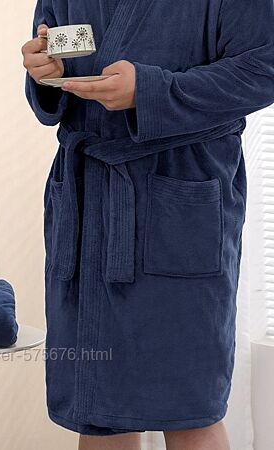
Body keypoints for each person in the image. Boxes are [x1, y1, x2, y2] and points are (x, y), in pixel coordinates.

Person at [21, 1, 274, 449]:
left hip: (181, 198)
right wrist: (44, 72)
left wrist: (153, 91)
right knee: (99, 413)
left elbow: (264, 67)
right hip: (89, 200)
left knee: (190, 407)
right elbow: (56, 55)